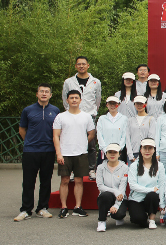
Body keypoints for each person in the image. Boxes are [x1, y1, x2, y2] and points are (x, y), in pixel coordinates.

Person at [15, 84, 60, 222]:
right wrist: (30, 142)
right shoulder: (28, 110)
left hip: (48, 150)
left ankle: (42, 208)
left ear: (50, 95)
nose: (44, 94)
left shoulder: (55, 110)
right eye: (41, 91)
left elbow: (57, 130)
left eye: (47, 92)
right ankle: (26, 210)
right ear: (37, 94)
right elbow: (22, 129)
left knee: (46, 181)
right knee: (28, 181)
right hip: (31, 151)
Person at [53, 89, 96, 218]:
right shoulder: (60, 116)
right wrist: (58, 153)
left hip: (81, 153)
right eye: (71, 98)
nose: (74, 100)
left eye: (76, 98)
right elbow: (56, 136)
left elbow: (91, 133)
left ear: (80, 100)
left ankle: (78, 207)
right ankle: (64, 207)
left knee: (79, 180)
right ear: (67, 100)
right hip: (65, 153)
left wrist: (83, 143)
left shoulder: (86, 116)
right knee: (65, 180)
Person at [62, 56, 101, 176]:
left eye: (83, 64)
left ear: (88, 65)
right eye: (79, 64)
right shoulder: (69, 82)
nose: (81, 66)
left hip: (89, 115)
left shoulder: (95, 82)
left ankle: (91, 169)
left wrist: (93, 111)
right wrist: (70, 111)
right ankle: (73, 170)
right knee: (73, 141)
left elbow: (98, 100)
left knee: (91, 144)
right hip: (73, 115)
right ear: (75, 66)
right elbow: (65, 99)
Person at [127, 138, 165, 229]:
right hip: (136, 198)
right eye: (145, 148)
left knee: (153, 195)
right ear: (140, 150)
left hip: (151, 197)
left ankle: (152, 219)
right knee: (138, 220)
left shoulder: (160, 165)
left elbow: (162, 184)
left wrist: (162, 204)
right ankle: (143, 217)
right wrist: (150, 189)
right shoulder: (134, 166)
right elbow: (132, 185)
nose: (147, 151)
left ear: (154, 150)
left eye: (150, 148)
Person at [95, 143, 128, 231]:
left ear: (119, 154)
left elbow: (122, 187)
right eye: (110, 152)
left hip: (120, 197)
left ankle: (117, 216)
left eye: (115, 152)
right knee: (105, 195)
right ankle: (101, 221)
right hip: (106, 196)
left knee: (119, 214)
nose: (112, 154)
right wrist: (114, 191)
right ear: (106, 154)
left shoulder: (125, 168)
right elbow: (100, 186)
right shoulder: (100, 167)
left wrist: (116, 205)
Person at [96, 96, 128, 165]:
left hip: (119, 152)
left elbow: (124, 135)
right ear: (107, 105)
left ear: (118, 104)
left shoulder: (124, 119)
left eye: (115, 103)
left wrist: (119, 149)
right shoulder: (102, 119)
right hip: (104, 151)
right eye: (110, 103)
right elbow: (99, 135)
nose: (112, 106)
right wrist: (105, 149)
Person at [126, 96, 156, 164]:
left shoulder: (151, 119)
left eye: (141, 104)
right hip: (133, 153)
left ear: (145, 104)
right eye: (137, 104)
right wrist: (130, 155)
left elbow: (151, 137)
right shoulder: (130, 120)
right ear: (134, 105)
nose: (139, 106)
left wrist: (146, 151)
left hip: (146, 153)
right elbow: (127, 138)